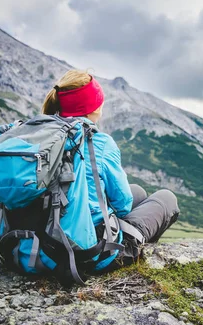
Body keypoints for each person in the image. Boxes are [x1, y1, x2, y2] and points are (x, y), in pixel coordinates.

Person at [41, 69, 180, 266]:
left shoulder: (43, 135)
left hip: (37, 244)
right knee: (166, 198)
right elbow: (123, 204)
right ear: (95, 108)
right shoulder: (98, 142)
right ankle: (134, 254)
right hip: (86, 251)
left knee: (138, 192)